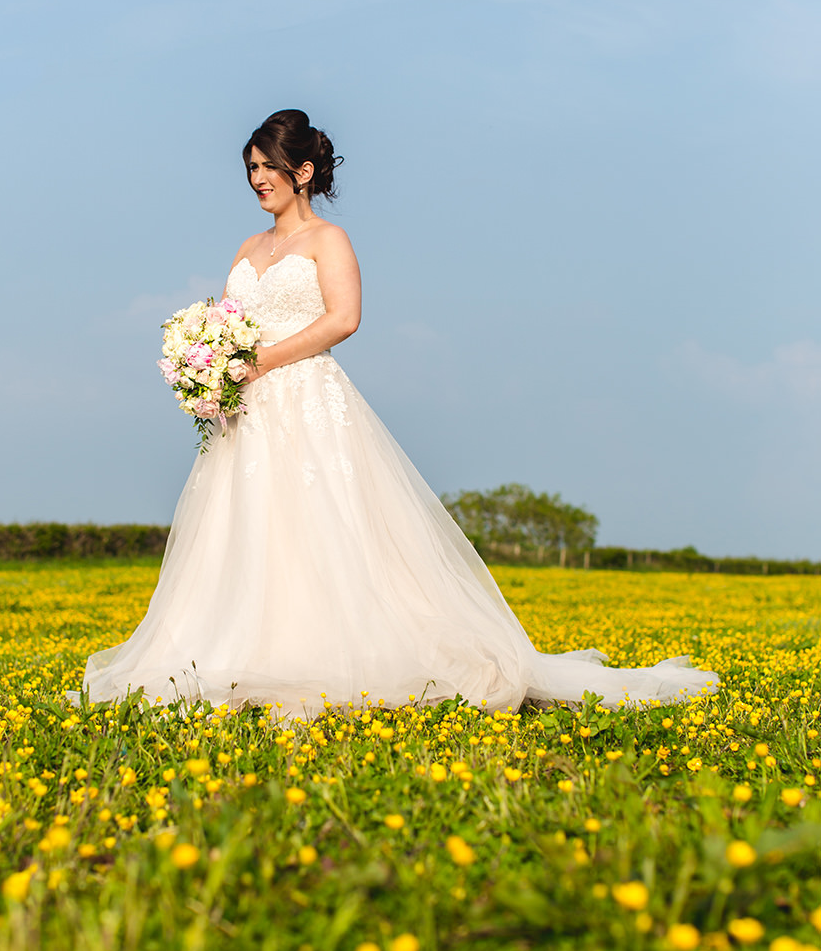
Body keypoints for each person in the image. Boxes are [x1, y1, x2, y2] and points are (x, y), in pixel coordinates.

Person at [76, 109, 717, 715]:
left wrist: (264, 361)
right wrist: (208, 367)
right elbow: (227, 321)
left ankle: (328, 654)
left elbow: (344, 319)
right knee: (243, 529)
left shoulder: (330, 239)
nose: (257, 180)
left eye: (267, 167)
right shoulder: (247, 244)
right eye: (249, 169)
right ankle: (227, 652)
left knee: (320, 529)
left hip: (306, 399)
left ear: (301, 172)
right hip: (246, 413)